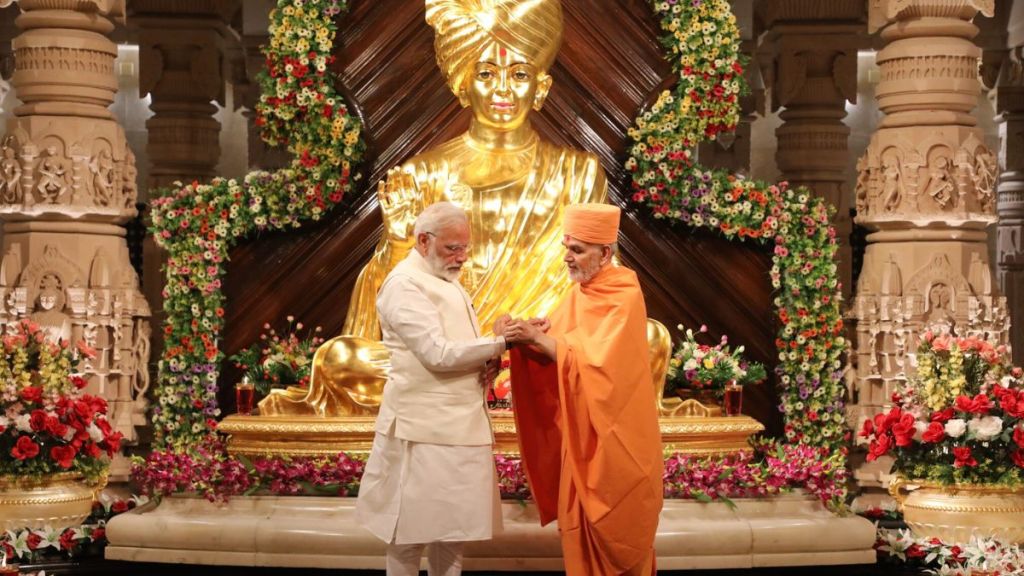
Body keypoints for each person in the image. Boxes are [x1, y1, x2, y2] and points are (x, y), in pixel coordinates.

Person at [258, 0, 608, 418]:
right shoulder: (421, 175)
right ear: (461, 85)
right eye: (485, 73)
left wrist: (542, 336)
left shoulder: (579, 172)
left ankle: (513, 374)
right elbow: (388, 308)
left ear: (541, 88)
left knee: (645, 340)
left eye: (518, 74)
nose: (502, 90)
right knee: (341, 359)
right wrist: (398, 242)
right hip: (448, 350)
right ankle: (497, 376)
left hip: (545, 344)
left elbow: (600, 283)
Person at [501, 203, 663, 576]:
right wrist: (524, 335)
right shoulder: (578, 293)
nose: (567, 258)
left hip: (617, 443)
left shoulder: (623, 293)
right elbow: (559, 350)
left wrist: (539, 341)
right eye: (566, 248)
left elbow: (600, 365)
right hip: (582, 441)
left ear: (605, 253)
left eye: (577, 250)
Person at [355, 202, 505, 576]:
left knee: (453, 537)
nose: (462, 257)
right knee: (408, 539)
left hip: (461, 428)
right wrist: (500, 343)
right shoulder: (404, 284)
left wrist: (488, 358)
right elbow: (435, 353)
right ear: (423, 241)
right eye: (453, 248)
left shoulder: (443, 279)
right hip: (420, 432)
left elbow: (458, 345)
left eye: (465, 248)